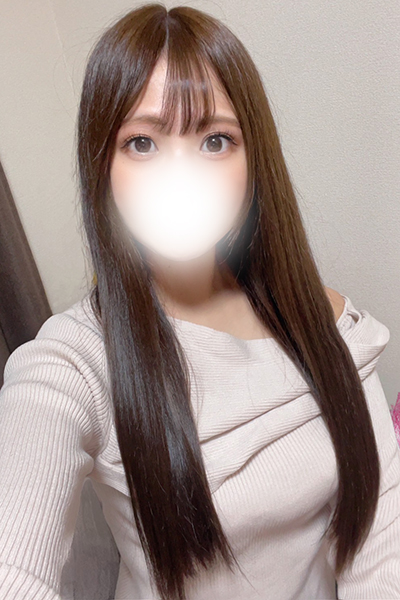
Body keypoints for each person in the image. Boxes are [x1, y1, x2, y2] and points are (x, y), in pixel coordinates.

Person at [1, 4, 399, 600]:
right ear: (102, 167)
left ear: (253, 161)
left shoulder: (325, 321)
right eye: (142, 142)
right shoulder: (74, 362)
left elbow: (381, 542)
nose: (181, 176)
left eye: (216, 140)